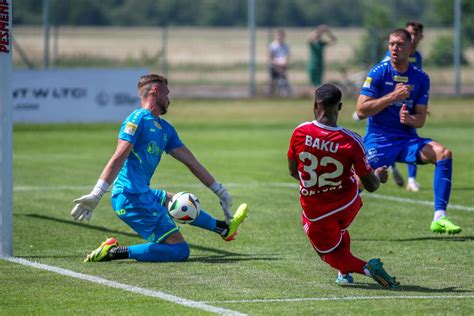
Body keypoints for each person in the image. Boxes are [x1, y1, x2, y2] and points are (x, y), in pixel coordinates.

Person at [70, 74, 249, 263]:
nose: (169, 99)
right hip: (130, 198)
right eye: (167, 93)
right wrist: (96, 194)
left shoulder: (165, 129)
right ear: (155, 91)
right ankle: (114, 251)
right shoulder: (137, 119)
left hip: (142, 193)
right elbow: (119, 156)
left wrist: (219, 191)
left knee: (180, 201)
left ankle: (223, 228)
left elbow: (192, 162)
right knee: (180, 251)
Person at [288, 83, 399, 289]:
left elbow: (294, 171)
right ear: (339, 107)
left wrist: (318, 186)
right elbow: (371, 185)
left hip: (317, 211)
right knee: (338, 231)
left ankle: (368, 268)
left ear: (315, 105)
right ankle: (344, 274)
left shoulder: (300, 132)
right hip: (348, 204)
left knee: (328, 254)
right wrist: (378, 176)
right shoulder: (352, 141)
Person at [355, 29, 461, 235]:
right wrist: (393, 96)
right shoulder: (378, 72)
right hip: (379, 140)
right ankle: (335, 221)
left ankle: (439, 217)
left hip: (407, 140)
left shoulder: (420, 78)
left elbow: (421, 117)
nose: (395, 48)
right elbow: (360, 111)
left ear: (410, 47)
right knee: (361, 182)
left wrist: (411, 119)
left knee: (443, 153)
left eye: (400, 44)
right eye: (392, 44)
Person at [381, 21, 424, 192]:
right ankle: (387, 165)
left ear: (420, 36)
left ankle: (411, 179)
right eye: (409, 34)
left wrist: (421, 103)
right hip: (390, 105)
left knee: (411, 137)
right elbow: (382, 76)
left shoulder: (418, 56)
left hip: (408, 104)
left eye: (414, 34)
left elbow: (418, 82)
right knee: (395, 139)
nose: (412, 37)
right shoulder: (391, 57)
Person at [268, 29, 292, 96]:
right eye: (278, 35)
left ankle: (285, 95)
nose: (280, 37)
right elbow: (270, 57)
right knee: (273, 81)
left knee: (284, 81)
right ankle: (271, 95)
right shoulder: (272, 45)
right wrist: (277, 64)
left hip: (283, 66)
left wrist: (284, 63)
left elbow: (288, 57)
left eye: (281, 36)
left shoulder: (286, 46)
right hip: (274, 66)